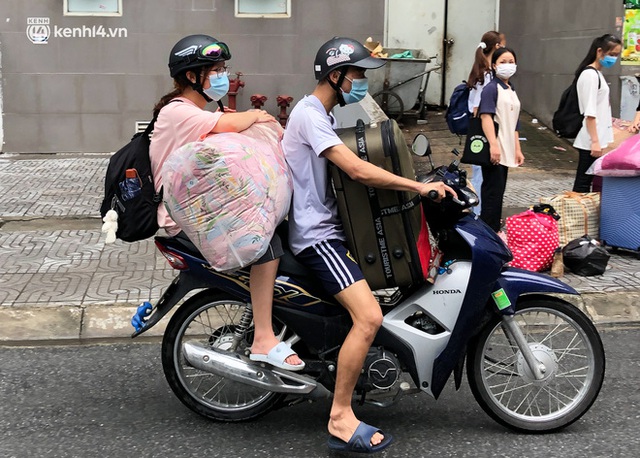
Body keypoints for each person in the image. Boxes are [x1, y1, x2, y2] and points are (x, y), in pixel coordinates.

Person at [281, 37, 455, 453]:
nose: (362, 83)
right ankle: (340, 417)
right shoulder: (309, 115)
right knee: (369, 317)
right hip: (317, 238)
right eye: (357, 75)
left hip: (333, 229)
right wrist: (418, 186)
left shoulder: (317, 113)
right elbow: (357, 169)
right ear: (335, 75)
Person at [150, 34, 304, 371]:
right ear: (193, 76)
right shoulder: (178, 112)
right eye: (217, 70)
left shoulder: (195, 111)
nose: (224, 77)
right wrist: (257, 116)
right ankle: (263, 337)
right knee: (264, 244)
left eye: (223, 69)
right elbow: (231, 124)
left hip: (199, 208)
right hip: (182, 217)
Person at [477, 47, 524, 232]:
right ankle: (488, 232)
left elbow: (514, 123)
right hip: (495, 149)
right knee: (492, 195)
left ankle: (494, 231)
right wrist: (493, 145)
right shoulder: (491, 88)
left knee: (498, 193)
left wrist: (517, 149)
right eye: (503, 62)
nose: (508, 65)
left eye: (511, 61)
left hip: (507, 149)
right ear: (494, 65)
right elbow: (486, 116)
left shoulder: (511, 89)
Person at [571, 34, 622, 193]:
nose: (614, 59)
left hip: (596, 138)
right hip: (591, 140)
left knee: (588, 184)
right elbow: (590, 112)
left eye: (616, 55)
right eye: (612, 54)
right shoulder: (590, 75)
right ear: (600, 51)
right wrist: (595, 141)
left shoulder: (597, 74)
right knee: (583, 185)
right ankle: (577, 215)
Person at [466, 31, 505, 214]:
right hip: (483, 126)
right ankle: (478, 212)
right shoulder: (487, 74)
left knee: (479, 171)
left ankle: (478, 211)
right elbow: (478, 107)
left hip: (478, 126)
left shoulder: (480, 70)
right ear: (497, 46)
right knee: (481, 173)